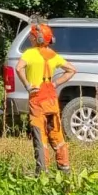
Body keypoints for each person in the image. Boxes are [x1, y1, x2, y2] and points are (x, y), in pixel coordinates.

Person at [18, 21, 77, 174]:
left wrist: (28, 85)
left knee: (40, 135)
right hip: (51, 99)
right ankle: (64, 168)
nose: (30, 38)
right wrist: (55, 83)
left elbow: (18, 68)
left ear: (37, 38)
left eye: (32, 36)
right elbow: (71, 70)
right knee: (56, 133)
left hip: (37, 98)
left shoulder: (29, 54)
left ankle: (42, 171)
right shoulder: (53, 55)